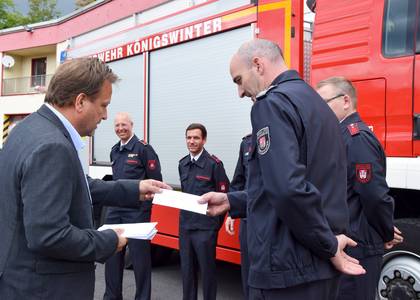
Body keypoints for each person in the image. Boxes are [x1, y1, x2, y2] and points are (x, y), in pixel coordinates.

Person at [199, 39, 366, 300]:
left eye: (239, 80)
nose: (240, 92)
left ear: (258, 65)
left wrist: (329, 246)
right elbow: (306, 182)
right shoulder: (317, 105)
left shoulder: (270, 104)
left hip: (286, 268)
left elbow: (288, 189)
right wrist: (233, 200)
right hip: (318, 268)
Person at [0, 57, 170, 300]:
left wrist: (134, 189)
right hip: (43, 289)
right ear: (80, 101)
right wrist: (108, 241)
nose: (105, 115)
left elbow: (74, 185)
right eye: (103, 105)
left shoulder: (27, 129)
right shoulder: (52, 146)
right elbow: (49, 236)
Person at [316, 76, 403, 300]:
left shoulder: (357, 138)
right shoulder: (341, 136)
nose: (319, 111)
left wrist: (385, 231)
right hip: (348, 241)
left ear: (346, 100)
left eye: (324, 103)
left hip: (358, 244)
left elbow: (373, 194)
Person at [104, 112, 162, 300]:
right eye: (117, 125)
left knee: (140, 260)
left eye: (124, 125)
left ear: (132, 125)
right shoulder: (114, 150)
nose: (121, 128)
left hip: (136, 212)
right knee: (112, 255)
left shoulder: (144, 149)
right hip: (115, 209)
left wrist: (144, 209)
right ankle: (112, 297)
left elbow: (156, 182)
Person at [178, 123, 229, 300]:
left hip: (205, 230)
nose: (191, 141)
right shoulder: (182, 164)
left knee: (208, 273)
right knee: (187, 273)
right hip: (185, 228)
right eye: (189, 137)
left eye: (196, 138)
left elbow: (224, 199)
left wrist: (213, 226)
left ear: (204, 140)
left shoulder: (214, 165)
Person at [224, 133, 251, 299]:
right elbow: (238, 180)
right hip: (249, 220)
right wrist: (231, 213)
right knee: (248, 271)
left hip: (274, 222)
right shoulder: (246, 143)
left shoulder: (283, 136)